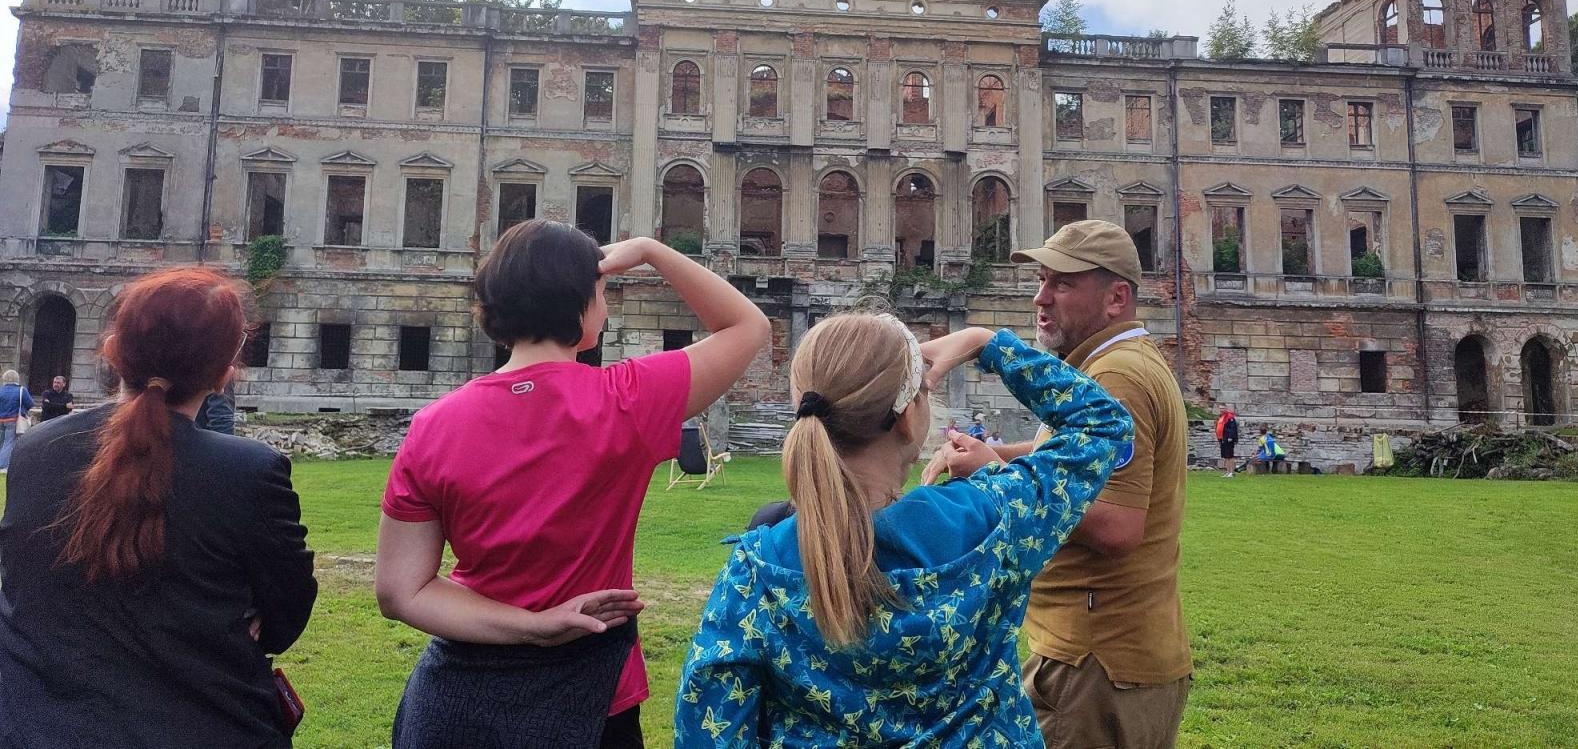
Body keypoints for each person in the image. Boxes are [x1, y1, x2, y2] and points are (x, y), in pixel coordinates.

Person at [376, 220, 769, 749]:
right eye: (602, 293)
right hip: (590, 693)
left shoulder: (433, 425)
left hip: (456, 694)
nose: (605, 309)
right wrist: (652, 250)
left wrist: (527, 624)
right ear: (581, 303)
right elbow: (747, 326)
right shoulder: (626, 399)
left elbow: (401, 592)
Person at [675, 314, 1132, 746]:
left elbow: (708, 728)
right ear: (909, 415)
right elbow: (1102, 424)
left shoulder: (757, 571)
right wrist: (987, 344)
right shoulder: (993, 517)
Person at [0, 267, 317, 747]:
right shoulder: (249, 471)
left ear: (113, 350)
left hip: (40, 725)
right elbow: (284, 617)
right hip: (204, 724)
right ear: (224, 371)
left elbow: (25, 588)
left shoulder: (34, 450)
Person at [926, 219, 1192, 748]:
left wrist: (997, 476)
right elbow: (1075, 464)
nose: (1040, 299)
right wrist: (1001, 452)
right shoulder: (1107, 364)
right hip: (1092, 655)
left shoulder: (1116, 377)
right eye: (1042, 281)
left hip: (1097, 663)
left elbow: (1119, 526)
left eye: (1062, 284)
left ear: (1117, 298)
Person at [0, 370, 35, 471]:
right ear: (17, 379)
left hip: (0, 419)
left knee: (1, 441)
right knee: (9, 442)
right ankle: (3, 465)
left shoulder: (1, 390)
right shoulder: (21, 390)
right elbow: (30, 404)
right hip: (13, 419)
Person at [1216, 406, 1240, 477]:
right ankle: (1227, 471)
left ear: (1226, 409)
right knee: (1226, 456)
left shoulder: (1229, 417)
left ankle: (1231, 472)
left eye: (1222, 408)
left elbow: (1232, 428)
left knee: (1230, 455)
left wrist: (1231, 437)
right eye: (1220, 408)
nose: (1221, 409)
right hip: (1222, 438)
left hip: (1228, 439)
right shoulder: (1221, 417)